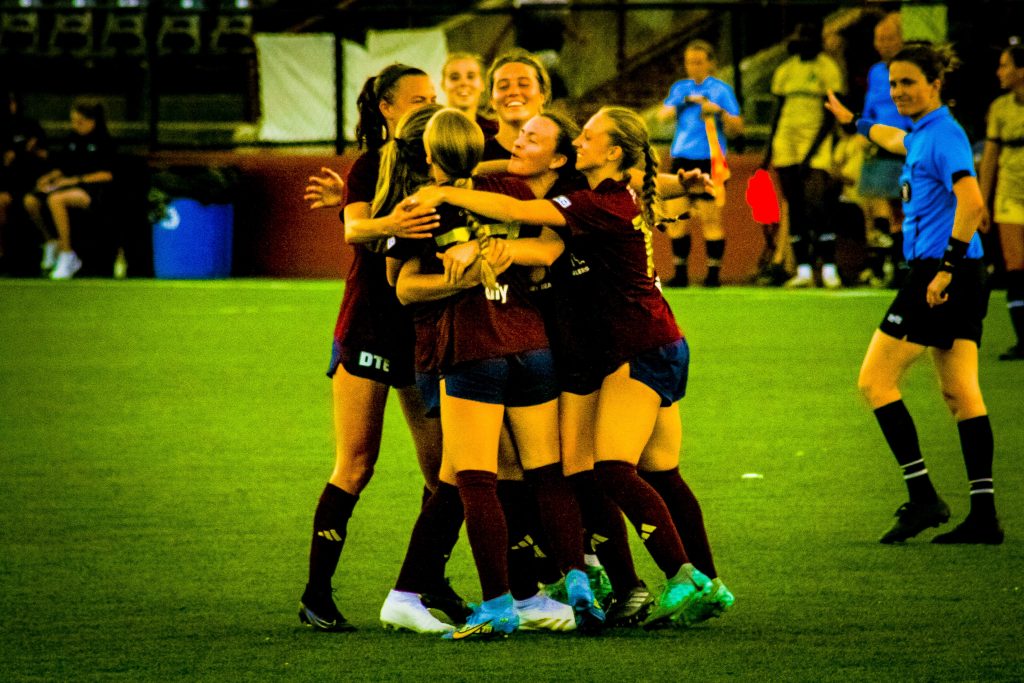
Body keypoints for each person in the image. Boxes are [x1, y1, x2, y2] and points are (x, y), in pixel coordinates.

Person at [406, 106, 735, 629]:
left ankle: (690, 579)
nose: (515, 142)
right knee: (594, 471)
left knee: (617, 469)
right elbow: (516, 198)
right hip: (597, 353)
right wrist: (686, 183)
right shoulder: (581, 189)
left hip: (638, 346)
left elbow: (543, 242)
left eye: (533, 136)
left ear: (588, 152)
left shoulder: (587, 200)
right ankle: (626, 584)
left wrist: (455, 205)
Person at [395, 108, 603, 640]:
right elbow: (547, 253)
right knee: (545, 471)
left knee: (473, 476)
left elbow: (403, 288)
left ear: (424, 156)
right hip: (532, 343)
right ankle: (577, 586)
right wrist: (501, 252)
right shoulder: (514, 192)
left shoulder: (420, 207)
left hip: (473, 346)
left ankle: (497, 605)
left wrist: (462, 271)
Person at [826, 43, 1003, 545]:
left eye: (908, 83)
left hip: (939, 274)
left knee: (875, 381)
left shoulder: (944, 137)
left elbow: (971, 203)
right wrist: (855, 121)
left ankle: (922, 496)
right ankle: (984, 514)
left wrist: (944, 269)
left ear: (935, 84)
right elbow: (894, 138)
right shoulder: (924, 134)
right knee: (961, 392)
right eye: (894, 84)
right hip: (962, 274)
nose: (899, 92)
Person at [298, 63, 453, 633]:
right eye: (417, 99)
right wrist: (395, 220)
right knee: (356, 463)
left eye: (432, 98)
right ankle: (317, 592)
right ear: (386, 108)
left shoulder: (446, 166)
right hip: (367, 327)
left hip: (424, 332)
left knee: (443, 472)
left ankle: (428, 579)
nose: (428, 107)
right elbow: (355, 231)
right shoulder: (371, 166)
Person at [764, 22, 846, 289]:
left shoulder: (827, 68)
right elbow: (778, 111)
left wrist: (810, 155)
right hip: (786, 141)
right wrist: (768, 151)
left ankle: (830, 268)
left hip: (815, 141)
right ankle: (803, 269)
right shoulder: (786, 70)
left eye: (809, 36)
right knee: (795, 206)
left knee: (818, 205)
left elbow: (830, 115)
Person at [656, 39, 743, 287]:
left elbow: (738, 127)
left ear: (710, 63)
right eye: (689, 62)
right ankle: (680, 272)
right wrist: (682, 103)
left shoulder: (720, 90)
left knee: (710, 216)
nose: (693, 67)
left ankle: (713, 274)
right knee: (677, 215)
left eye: (699, 62)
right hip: (682, 157)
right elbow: (662, 116)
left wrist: (717, 111)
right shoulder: (680, 88)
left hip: (709, 158)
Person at [23, 98, 115, 280]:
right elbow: (63, 166)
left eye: (79, 122)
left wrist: (76, 179)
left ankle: (67, 254)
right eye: (73, 121)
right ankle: (51, 241)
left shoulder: (104, 141)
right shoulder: (72, 139)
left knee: (56, 199)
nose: (75, 126)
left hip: (92, 192)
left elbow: (107, 174)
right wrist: (49, 178)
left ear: (92, 121)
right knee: (31, 200)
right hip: (68, 185)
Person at [858, 12, 913, 287]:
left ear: (901, 40)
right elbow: (870, 107)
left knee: (905, 205)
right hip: (879, 144)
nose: (883, 43)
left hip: (905, 144)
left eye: (889, 38)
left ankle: (905, 264)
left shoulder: (911, 70)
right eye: (879, 39)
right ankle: (885, 264)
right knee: (876, 202)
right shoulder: (876, 72)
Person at [978, 43, 1024, 360]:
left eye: (1005, 65)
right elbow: (990, 157)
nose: (999, 72)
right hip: (1010, 195)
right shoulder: (1000, 108)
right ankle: (1023, 338)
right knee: (1016, 266)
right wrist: (981, 200)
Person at [0, 90, 48, 274]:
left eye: (13, 101)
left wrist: (23, 152)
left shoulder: (30, 126)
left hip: (31, 183)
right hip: (6, 186)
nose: (11, 106)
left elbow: (43, 154)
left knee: (32, 200)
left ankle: (49, 247)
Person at [482, 48, 551, 161]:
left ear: (542, 95)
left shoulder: (565, 152)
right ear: (492, 100)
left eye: (524, 84)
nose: (513, 92)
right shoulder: (475, 159)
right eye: (503, 86)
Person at [441, 52, 498, 139]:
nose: (464, 83)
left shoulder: (495, 131)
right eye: (455, 77)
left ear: (482, 84)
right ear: (443, 85)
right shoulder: (428, 129)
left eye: (471, 77)